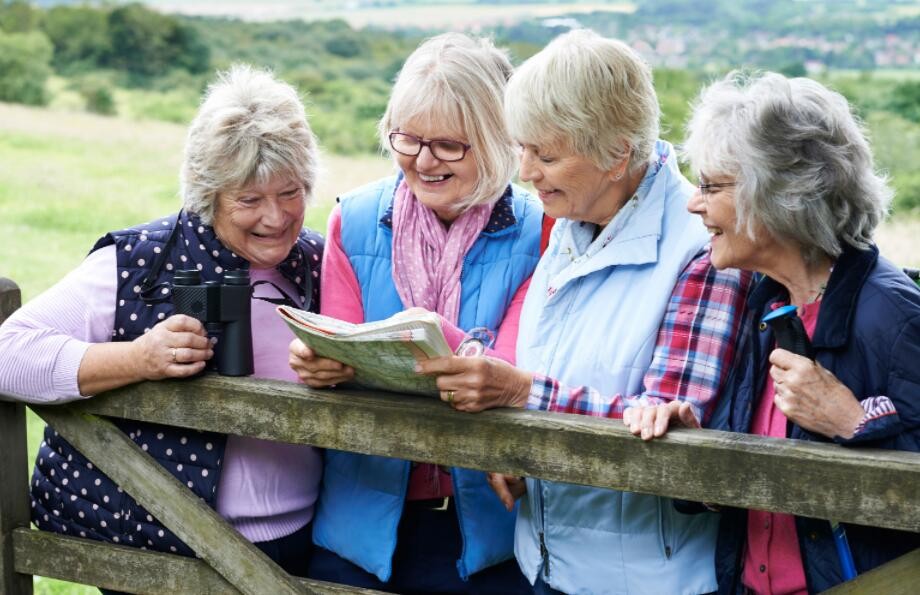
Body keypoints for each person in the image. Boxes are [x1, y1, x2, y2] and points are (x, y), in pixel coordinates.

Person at [416, 30, 752, 594]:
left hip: (644, 579)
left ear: (617, 153)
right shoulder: (575, 219)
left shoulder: (703, 250)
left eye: (546, 155)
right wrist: (516, 444)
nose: (525, 171)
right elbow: (557, 370)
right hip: (546, 565)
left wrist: (522, 394)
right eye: (522, 147)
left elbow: (672, 429)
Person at [0, 65, 324, 577]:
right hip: (155, 545)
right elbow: (6, 356)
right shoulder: (142, 261)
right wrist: (137, 358)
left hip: (304, 541)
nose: (276, 216)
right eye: (249, 199)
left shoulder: (320, 265)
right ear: (206, 191)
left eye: (290, 193)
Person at [623, 71, 920, 594]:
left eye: (712, 186)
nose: (695, 203)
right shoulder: (765, 303)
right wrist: (698, 439)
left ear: (781, 194)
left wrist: (855, 420)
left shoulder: (893, 315)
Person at [287, 33, 541, 594]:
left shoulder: (541, 230)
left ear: (498, 140)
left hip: (492, 531)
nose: (422, 161)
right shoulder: (351, 220)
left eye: (449, 145)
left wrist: (433, 339)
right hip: (362, 527)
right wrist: (320, 364)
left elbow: (510, 371)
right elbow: (342, 351)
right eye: (408, 138)